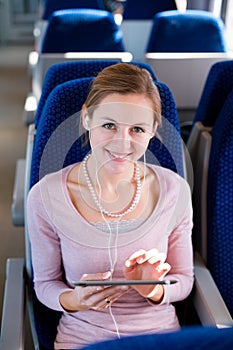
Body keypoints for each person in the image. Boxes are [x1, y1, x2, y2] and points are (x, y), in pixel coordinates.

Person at [27, 63, 194, 350]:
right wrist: (75, 300)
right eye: (109, 125)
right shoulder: (45, 196)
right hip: (83, 339)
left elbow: (184, 279)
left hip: (159, 338)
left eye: (137, 129)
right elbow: (45, 285)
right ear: (86, 118)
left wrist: (152, 287)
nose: (123, 142)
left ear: (153, 130)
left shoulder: (174, 189)